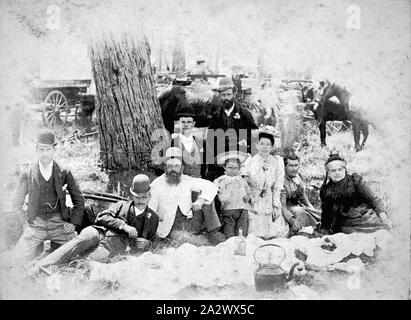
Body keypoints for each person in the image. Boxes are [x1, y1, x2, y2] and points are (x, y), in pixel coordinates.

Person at [27, 174, 159, 272]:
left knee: (86, 263)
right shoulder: (121, 205)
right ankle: (40, 267)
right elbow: (102, 217)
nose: (140, 200)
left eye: (144, 197)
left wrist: (148, 244)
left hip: (111, 247)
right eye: (137, 197)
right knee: (77, 243)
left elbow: (151, 242)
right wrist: (123, 226)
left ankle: (55, 272)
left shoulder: (153, 218)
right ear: (131, 195)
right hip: (97, 232)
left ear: (150, 196)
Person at [11, 129, 84, 265]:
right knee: (17, 258)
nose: (45, 154)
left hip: (59, 224)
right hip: (36, 225)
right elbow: (16, 203)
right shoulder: (27, 173)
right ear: (36, 149)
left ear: (54, 150)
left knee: (77, 253)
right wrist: (26, 226)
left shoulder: (64, 172)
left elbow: (79, 199)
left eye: (48, 149)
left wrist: (73, 223)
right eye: (41, 150)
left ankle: (54, 251)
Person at [149, 147, 225, 245]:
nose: (173, 170)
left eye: (176, 166)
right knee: (190, 240)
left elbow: (211, 186)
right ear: (165, 168)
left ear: (182, 168)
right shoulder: (156, 184)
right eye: (170, 166)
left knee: (207, 198)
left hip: (191, 221)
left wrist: (200, 200)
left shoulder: (186, 180)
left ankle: (213, 232)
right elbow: (150, 210)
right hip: (171, 225)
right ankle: (202, 240)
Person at [319, 152, 393, 234]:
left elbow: (373, 199)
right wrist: (324, 229)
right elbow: (326, 212)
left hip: (365, 220)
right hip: (344, 225)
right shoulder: (326, 190)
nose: (337, 173)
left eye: (340, 169)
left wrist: (384, 217)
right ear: (328, 173)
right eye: (333, 171)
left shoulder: (355, 181)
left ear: (345, 170)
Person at [241, 126, 289, 239]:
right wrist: (249, 196)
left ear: (272, 146)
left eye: (268, 144)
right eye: (262, 144)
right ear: (257, 145)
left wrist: (276, 206)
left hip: (269, 200)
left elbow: (277, 187)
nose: (264, 147)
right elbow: (243, 182)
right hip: (253, 201)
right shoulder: (250, 161)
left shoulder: (277, 162)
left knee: (275, 232)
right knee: (254, 234)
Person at [207, 77, 258, 181]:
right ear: (220, 96)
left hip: (240, 158)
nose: (226, 98)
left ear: (233, 94)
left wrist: (245, 142)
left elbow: (254, 134)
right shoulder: (216, 116)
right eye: (223, 95)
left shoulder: (244, 114)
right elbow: (210, 140)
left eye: (228, 95)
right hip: (222, 159)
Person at [154, 106, 207, 178]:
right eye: (183, 122)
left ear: (193, 123)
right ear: (179, 123)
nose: (186, 125)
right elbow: (159, 170)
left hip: (198, 183)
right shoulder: (170, 144)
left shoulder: (202, 143)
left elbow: (207, 168)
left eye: (189, 122)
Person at [213, 151, 251, 238]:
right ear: (224, 167)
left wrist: (248, 197)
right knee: (229, 231)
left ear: (239, 168)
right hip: (228, 209)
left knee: (242, 231)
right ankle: (229, 246)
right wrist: (222, 195)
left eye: (235, 168)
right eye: (230, 167)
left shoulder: (242, 180)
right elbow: (217, 192)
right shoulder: (221, 180)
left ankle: (240, 246)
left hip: (242, 209)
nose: (233, 170)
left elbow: (248, 191)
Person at [281, 153, 321, 235]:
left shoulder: (297, 177)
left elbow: (303, 197)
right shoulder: (281, 180)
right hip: (285, 209)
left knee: (314, 212)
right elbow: (282, 206)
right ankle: (298, 231)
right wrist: (292, 220)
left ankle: (318, 225)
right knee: (300, 212)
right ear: (284, 167)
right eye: (291, 166)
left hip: (297, 206)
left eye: (296, 165)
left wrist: (312, 208)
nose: (294, 169)